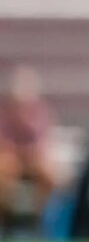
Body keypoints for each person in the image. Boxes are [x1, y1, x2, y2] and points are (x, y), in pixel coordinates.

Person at [0, 66, 60, 231]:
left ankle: (38, 221)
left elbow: (43, 144)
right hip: (11, 158)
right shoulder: (4, 114)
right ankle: (7, 222)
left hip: (33, 159)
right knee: (3, 170)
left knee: (49, 174)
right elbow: (4, 144)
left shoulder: (41, 114)